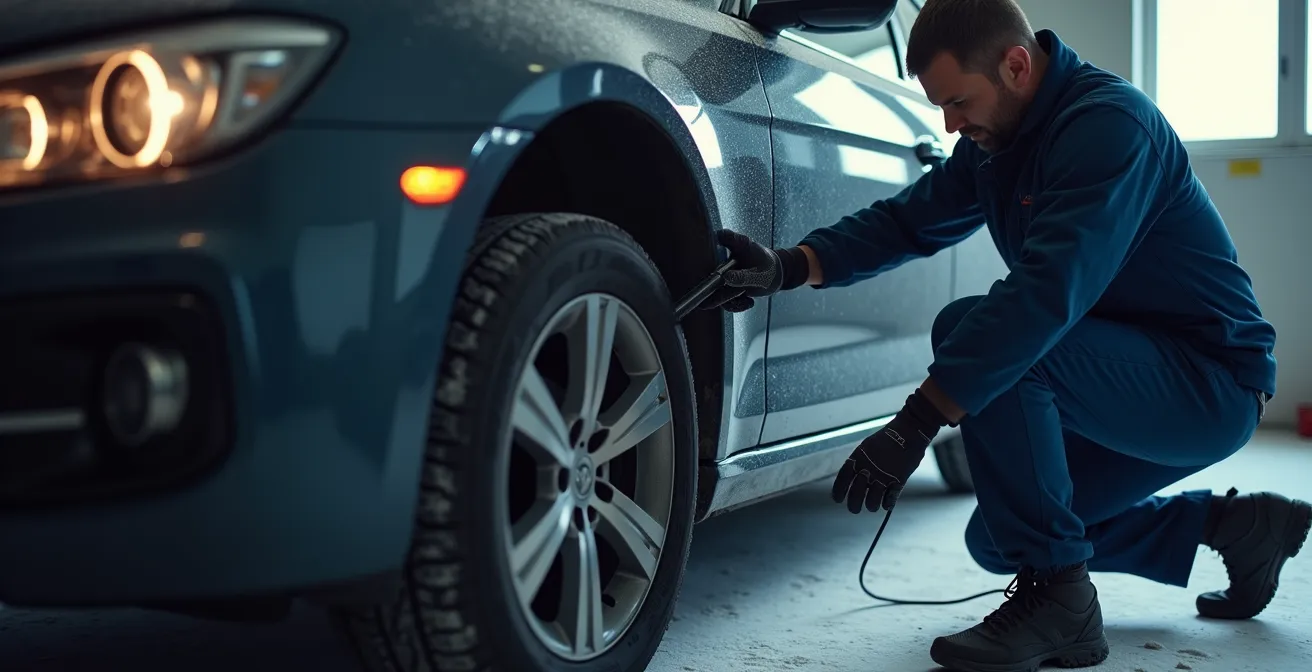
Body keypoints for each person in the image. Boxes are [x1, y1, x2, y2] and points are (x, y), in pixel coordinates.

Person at [702, 1, 1309, 670]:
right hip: (1126, 378)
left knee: (982, 336)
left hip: (1207, 385)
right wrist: (789, 265)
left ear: (1016, 65)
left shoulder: (1109, 128)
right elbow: (908, 220)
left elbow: (1045, 298)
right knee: (1000, 536)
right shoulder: (998, 142)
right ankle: (1237, 527)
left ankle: (1062, 607)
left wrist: (915, 422)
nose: (950, 124)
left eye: (958, 101)